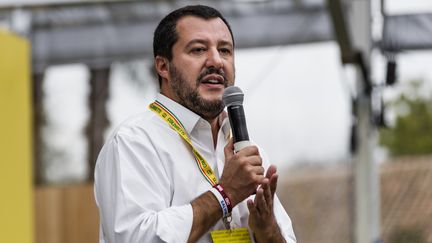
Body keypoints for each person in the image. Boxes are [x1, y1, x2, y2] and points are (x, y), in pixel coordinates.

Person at [94, 5, 296, 243]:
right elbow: (134, 238)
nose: (216, 61)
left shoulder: (248, 152)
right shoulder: (134, 142)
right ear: (163, 66)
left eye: (225, 50)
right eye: (198, 50)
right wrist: (225, 194)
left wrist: (267, 229)